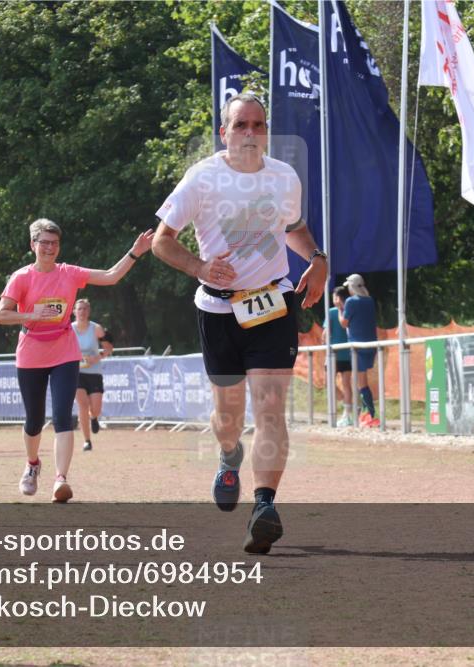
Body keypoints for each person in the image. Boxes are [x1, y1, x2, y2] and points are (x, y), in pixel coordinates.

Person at [152, 92, 327, 554]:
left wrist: (318, 258)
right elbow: (162, 242)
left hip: (272, 305)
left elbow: (293, 227)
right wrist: (199, 267)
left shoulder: (283, 177)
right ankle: (229, 455)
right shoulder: (202, 179)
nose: (250, 133)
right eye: (241, 125)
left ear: (266, 131)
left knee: (270, 407)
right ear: (224, 132)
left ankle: (264, 506)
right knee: (228, 417)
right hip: (218, 310)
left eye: (258, 125)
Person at [0, 218, 153, 502]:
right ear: (33, 245)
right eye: (44, 243)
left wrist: (135, 252)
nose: (50, 248)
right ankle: (32, 465)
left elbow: (111, 276)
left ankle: (60, 480)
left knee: (62, 417)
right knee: (33, 419)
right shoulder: (21, 277)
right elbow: (0, 315)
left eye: (54, 243)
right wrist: (30, 315)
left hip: (65, 351)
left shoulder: (69, 273)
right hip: (31, 352)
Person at [340, 274, 380, 428]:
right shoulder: (369, 300)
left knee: (360, 381)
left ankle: (368, 414)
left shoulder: (350, 302)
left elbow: (344, 323)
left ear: (352, 286)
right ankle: (367, 412)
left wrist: (339, 310)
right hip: (371, 344)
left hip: (357, 346)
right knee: (362, 381)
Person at [72, 298, 110, 451]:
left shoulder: (96, 328)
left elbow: (108, 348)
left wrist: (96, 358)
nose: (82, 312)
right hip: (76, 372)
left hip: (94, 372)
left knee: (96, 408)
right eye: (79, 309)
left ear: (89, 312)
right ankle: (87, 440)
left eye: (84, 309)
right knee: (82, 404)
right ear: (74, 311)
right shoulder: (69, 329)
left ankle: (94, 417)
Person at [323, 286, 354, 427]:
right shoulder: (349, 311)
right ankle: (346, 411)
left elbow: (325, 334)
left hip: (333, 354)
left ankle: (343, 411)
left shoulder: (332, 312)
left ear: (339, 298)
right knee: (346, 384)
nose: (333, 300)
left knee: (328, 383)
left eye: (335, 297)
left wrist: (324, 344)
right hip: (347, 353)